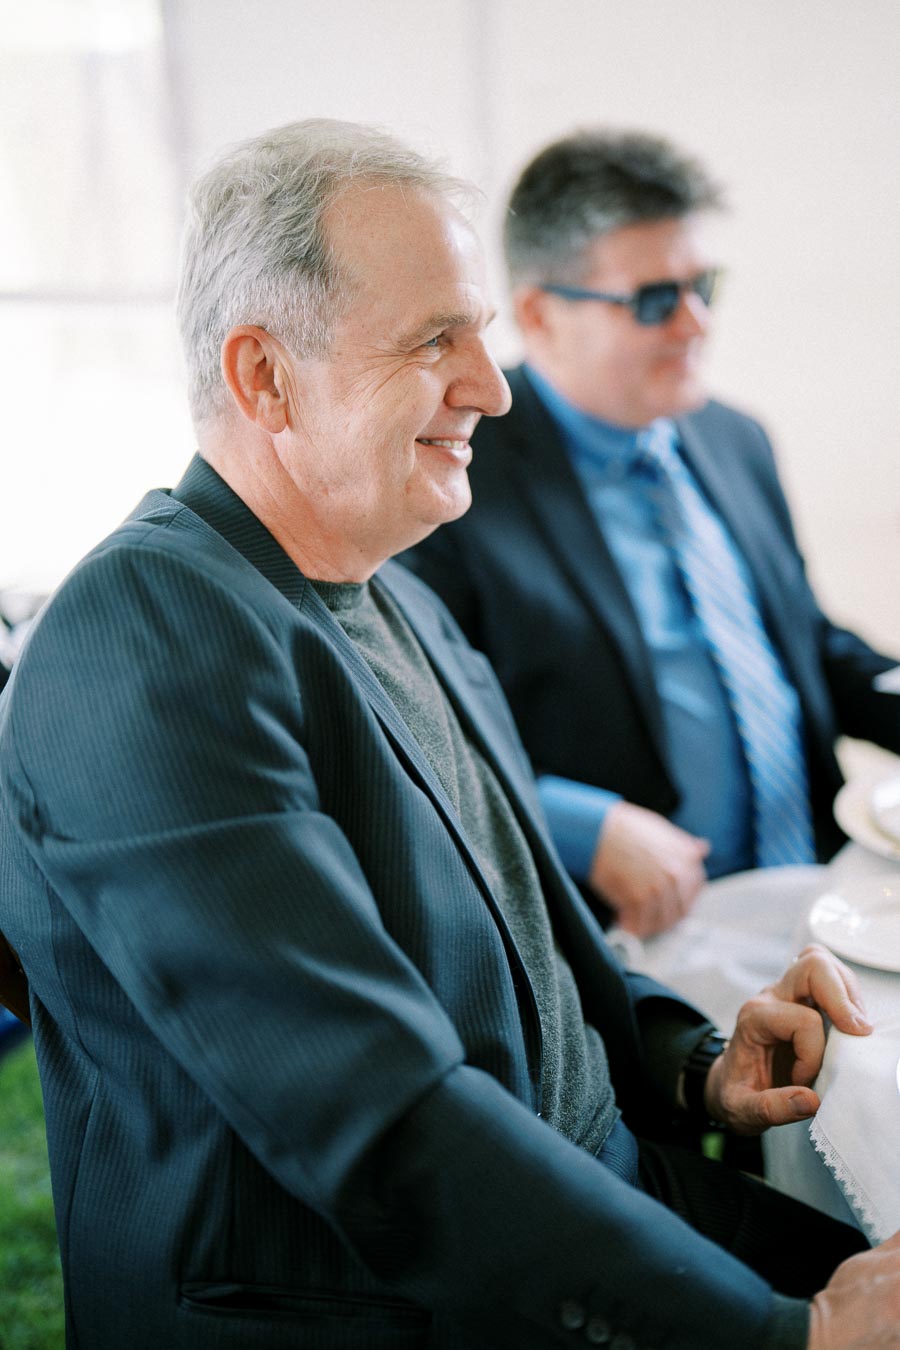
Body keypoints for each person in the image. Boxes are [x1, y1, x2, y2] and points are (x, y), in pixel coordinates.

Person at [0, 118, 897, 1350]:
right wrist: (780, 1339)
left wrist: (697, 1065)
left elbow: (530, 943)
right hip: (383, 1306)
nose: (497, 385)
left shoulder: (390, 585)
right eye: (437, 340)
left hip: (588, 1198)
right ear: (264, 376)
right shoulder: (148, 635)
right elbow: (374, 1116)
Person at [402, 129, 900, 938]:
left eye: (703, 285)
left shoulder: (735, 438)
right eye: (655, 299)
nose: (696, 323)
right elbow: (420, 735)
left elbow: (804, 646)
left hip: (820, 897)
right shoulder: (452, 478)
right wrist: (577, 822)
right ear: (539, 314)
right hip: (626, 940)